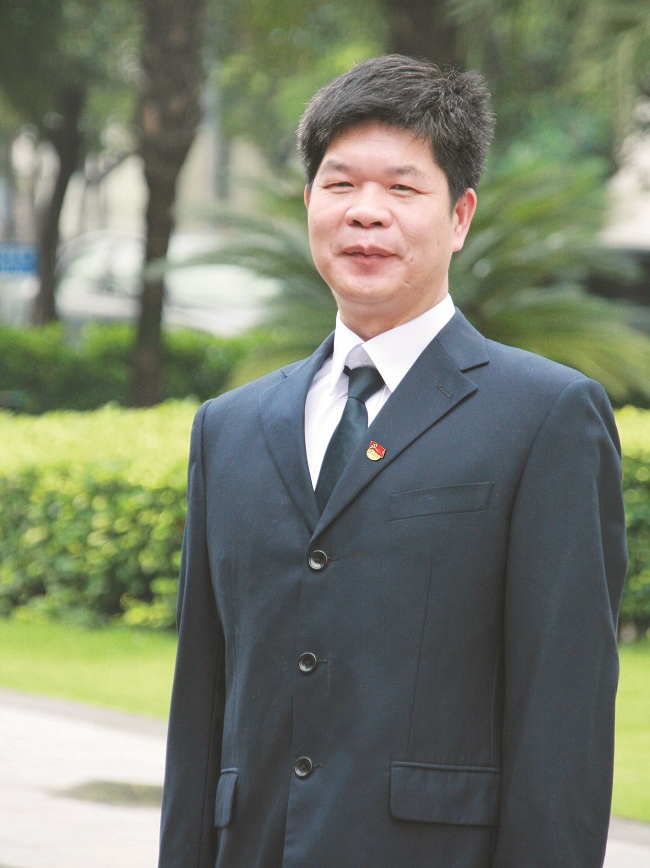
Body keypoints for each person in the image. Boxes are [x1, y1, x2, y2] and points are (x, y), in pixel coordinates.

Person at [158, 55, 627, 868]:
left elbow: (564, 719)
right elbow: (200, 706)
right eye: (339, 184)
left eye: (403, 188)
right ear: (309, 202)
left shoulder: (545, 417)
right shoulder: (227, 429)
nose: (365, 212)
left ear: (460, 215)